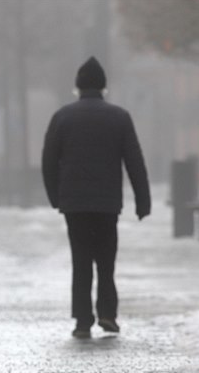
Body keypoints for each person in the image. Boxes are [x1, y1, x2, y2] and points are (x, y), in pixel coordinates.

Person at [41, 56, 150, 339]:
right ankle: (107, 313)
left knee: (81, 261)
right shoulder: (119, 117)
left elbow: (49, 161)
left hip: (74, 204)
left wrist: (56, 197)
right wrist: (143, 200)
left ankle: (82, 319)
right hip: (107, 203)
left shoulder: (62, 117)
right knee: (106, 261)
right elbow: (134, 161)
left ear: (78, 86)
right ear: (103, 87)